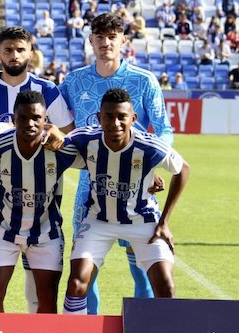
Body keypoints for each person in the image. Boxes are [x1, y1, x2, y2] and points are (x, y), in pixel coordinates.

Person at [59, 13, 174, 315]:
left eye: (112, 36)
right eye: (100, 36)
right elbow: (59, 127)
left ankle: (145, 332)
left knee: (143, 267)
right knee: (85, 267)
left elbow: (163, 129)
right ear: (91, 40)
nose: (106, 42)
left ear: (124, 40)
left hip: (137, 188)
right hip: (90, 190)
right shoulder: (73, 81)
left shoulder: (143, 80)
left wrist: (151, 168)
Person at [0, 27, 73, 311]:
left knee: (34, 266)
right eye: (9, 50)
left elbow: (68, 134)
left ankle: (34, 323)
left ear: (30, 53)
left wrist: (58, 133)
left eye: (20, 49)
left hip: (40, 199)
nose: (15, 55)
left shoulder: (47, 89)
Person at [62, 88, 190, 314]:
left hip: (144, 221)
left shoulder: (150, 147)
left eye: (122, 117)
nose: (115, 123)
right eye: (109, 116)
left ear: (133, 119)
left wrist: (164, 222)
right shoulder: (85, 139)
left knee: (166, 287)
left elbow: (183, 170)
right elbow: (57, 143)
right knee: (76, 284)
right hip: (98, 220)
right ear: (99, 117)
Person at [0, 91, 82, 313]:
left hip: (46, 233)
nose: (30, 123)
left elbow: (99, 155)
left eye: (36, 118)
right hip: (2, 230)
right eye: (23, 118)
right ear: (13, 119)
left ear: (46, 120)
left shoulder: (61, 149)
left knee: (47, 301)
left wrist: (148, 176)